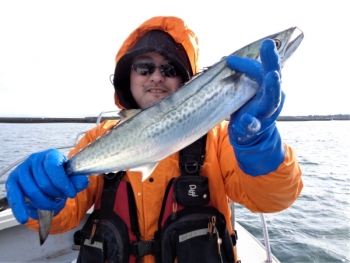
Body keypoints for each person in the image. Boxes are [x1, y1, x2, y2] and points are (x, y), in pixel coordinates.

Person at [6, 16, 303, 262]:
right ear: (127, 76)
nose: (157, 77)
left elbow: (272, 199)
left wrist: (260, 147)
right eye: (144, 67)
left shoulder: (221, 139)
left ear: (185, 79)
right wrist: (44, 198)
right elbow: (67, 216)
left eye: (170, 69)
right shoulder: (99, 137)